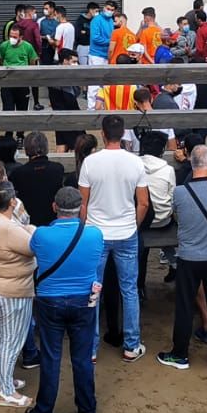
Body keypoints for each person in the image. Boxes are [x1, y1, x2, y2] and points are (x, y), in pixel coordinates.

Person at [25, 187, 105, 413]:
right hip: (83, 301)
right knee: (82, 358)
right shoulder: (95, 235)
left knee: (51, 357)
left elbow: (33, 253)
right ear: (82, 208)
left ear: (54, 207)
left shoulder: (41, 235)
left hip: (51, 301)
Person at [78, 115, 149, 361]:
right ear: (123, 134)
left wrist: (87, 228)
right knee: (129, 289)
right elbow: (143, 202)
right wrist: (133, 224)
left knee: (93, 290)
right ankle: (132, 344)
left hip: (97, 232)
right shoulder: (135, 162)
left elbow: (83, 204)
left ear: (102, 133)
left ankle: (92, 348)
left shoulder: (90, 162)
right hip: (126, 230)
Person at [158, 146, 207, 370]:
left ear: (191, 165)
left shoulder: (180, 193)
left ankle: (180, 353)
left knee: (184, 306)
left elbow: (177, 216)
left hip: (189, 257)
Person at [0, 181, 37, 408]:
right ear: (12, 201)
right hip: (11, 289)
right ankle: (6, 391)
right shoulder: (8, 227)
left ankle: (3, 380)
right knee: (12, 340)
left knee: (5, 336)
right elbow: (33, 243)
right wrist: (30, 230)